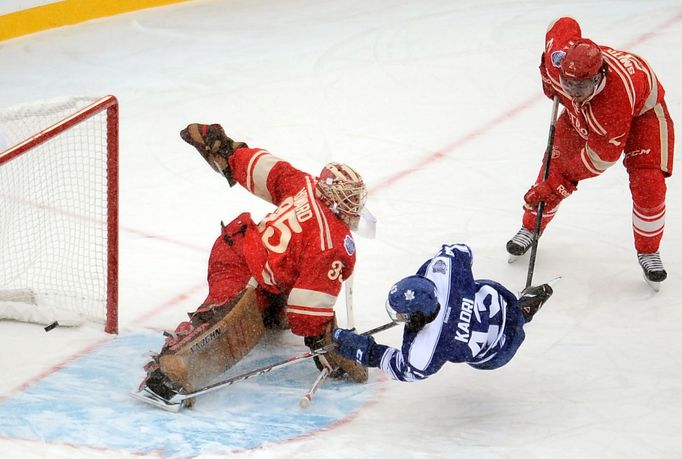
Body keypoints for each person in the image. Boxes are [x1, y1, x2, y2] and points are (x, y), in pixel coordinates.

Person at [141, 123, 371, 400]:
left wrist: (226, 149)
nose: (353, 206)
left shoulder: (307, 185)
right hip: (239, 262)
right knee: (221, 321)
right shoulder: (332, 243)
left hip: (249, 252)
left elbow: (266, 170)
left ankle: (269, 309)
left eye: (354, 199)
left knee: (275, 303)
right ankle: (167, 373)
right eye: (348, 198)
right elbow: (306, 315)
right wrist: (327, 343)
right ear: (332, 196)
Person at [506, 17, 674, 287]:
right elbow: (562, 23)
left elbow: (596, 161)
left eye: (579, 87)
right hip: (589, 113)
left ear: (599, 77)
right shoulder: (559, 62)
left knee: (648, 182)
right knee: (553, 165)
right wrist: (547, 77)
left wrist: (559, 185)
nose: (572, 92)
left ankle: (648, 251)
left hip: (644, 114)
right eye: (567, 84)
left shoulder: (614, 105)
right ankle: (530, 227)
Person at [331, 243, 553, 381]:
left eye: (401, 315)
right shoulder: (446, 270)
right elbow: (461, 251)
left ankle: (523, 313)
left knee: (484, 337)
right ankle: (520, 309)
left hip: (497, 352)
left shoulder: (426, 350)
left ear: (417, 318)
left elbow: (402, 369)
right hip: (499, 300)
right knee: (478, 291)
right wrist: (458, 294)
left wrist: (364, 351)